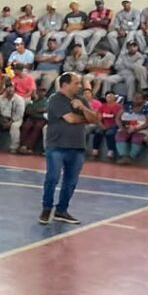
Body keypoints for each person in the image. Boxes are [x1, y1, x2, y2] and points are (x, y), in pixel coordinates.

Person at [40, 72, 97, 225]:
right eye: (76, 83)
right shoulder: (55, 99)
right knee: (52, 178)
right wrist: (84, 118)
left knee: (71, 181)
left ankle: (61, 210)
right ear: (65, 85)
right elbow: (70, 119)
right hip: (57, 145)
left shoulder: (81, 100)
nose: (79, 86)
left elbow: (95, 119)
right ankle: (47, 208)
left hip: (77, 146)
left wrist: (83, 108)